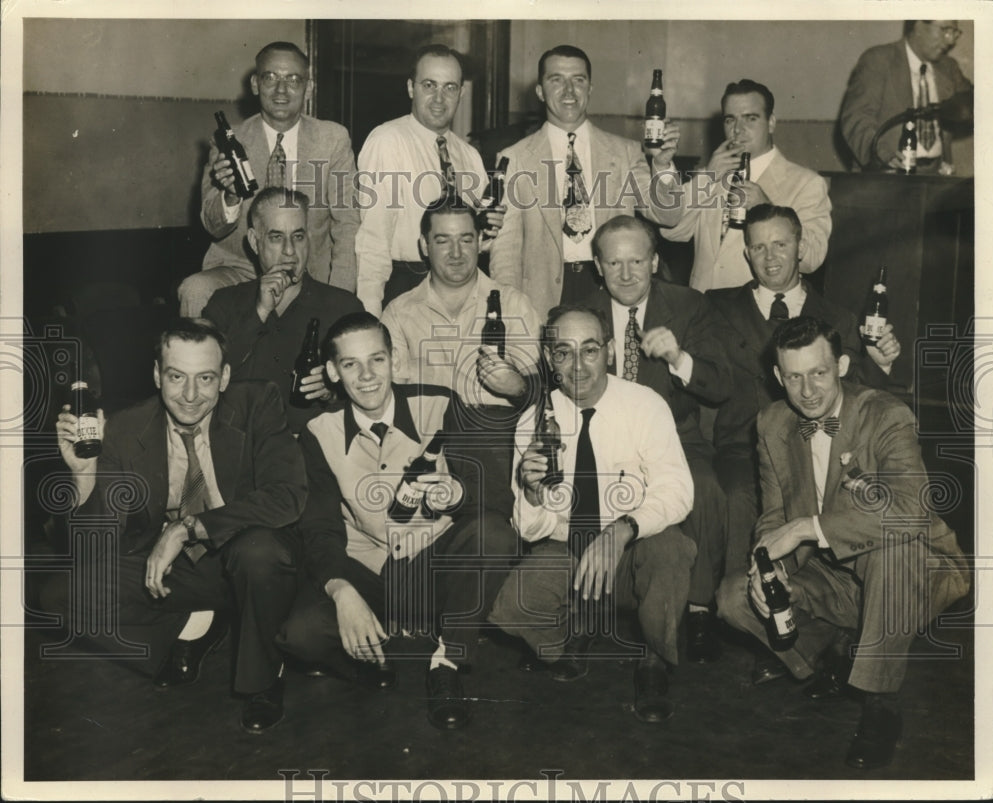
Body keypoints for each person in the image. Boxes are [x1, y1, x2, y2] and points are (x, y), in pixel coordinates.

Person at [716, 316, 969, 770]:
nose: (807, 390)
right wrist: (768, 569)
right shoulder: (772, 423)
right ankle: (827, 659)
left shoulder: (885, 415)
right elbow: (773, 518)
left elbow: (910, 510)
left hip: (912, 565)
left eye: (819, 373)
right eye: (793, 377)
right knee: (733, 597)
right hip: (831, 572)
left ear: (843, 366)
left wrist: (805, 528)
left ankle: (880, 703)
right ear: (778, 377)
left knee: (895, 550)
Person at [54, 319, 307, 733]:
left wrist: (186, 528)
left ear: (224, 377)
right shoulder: (124, 428)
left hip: (253, 555)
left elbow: (288, 496)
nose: (190, 396)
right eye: (176, 377)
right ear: (157, 375)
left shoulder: (259, 401)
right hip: (185, 570)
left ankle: (263, 681)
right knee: (60, 594)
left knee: (258, 551)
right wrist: (83, 476)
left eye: (205, 378)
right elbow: (95, 547)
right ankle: (194, 626)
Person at [277, 312, 519, 730]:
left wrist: (457, 492)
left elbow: (497, 495)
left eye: (377, 360)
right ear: (333, 372)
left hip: (435, 566)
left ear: (394, 360)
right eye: (351, 364)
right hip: (370, 572)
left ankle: (447, 662)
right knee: (300, 634)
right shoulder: (319, 432)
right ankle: (377, 656)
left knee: (494, 534)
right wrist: (342, 591)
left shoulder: (440, 402)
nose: (367, 376)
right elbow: (319, 529)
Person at [489, 305, 696, 724]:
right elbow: (533, 530)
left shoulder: (645, 404)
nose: (578, 366)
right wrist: (530, 494)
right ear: (549, 360)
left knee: (672, 549)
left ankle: (654, 660)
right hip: (571, 550)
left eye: (590, 350)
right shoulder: (534, 419)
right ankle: (570, 635)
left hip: (634, 546)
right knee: (508, 608)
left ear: (610, 352)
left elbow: (678, 491)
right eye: (563, 352)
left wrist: (624, 529)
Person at [707, 204, 901, 578]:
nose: (770, 257)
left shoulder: (838, 318)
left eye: (780, 244)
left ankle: (821, 608)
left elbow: (862, 397)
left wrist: (881, 363)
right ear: (746, 253)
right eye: (759, 247)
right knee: (737, 498)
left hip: (818, 450)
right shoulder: (717, 306)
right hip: (741, 450)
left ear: (801, 247)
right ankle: (743, 605)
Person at [585, 215, 731, 662]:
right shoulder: (583, 310)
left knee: (704, 487)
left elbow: (721, 384)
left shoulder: (689, 306)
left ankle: (700, 607)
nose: (626, 274)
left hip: (677, 439)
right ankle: (584, 603)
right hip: (605, 440)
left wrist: (677, 357)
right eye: (614, 263)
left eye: (636, 261)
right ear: (597, 265)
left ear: (654, 262)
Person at [489, 45, 685, 319]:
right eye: (556, 80)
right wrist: (509, 311)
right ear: (539, 91)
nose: (569, 91)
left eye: (578, 80)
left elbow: (669, 215)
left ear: (590, 88)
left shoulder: (625, 152)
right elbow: (506, 251)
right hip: (541, 298)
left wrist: (662, 166)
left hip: (609, 286)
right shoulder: (514, 159)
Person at [381, 197, 541, 517]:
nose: (456, 253)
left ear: (480, 241)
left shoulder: (514, 305)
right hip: (423, 451)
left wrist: (518, 386)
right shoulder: (399, 312)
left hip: (495, 453)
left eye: (466, 239)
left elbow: (544, 401)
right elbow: (389, 403)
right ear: (424, 246)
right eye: (443, 240)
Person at [180, 41, 359, 316]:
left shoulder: (332, 139)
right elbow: (212, 226)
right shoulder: (230, 141)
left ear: (308, 88)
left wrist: (340, 296)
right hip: (242, 270)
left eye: (293, 79)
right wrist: (230, 196)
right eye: (270, 77)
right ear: (255, 84)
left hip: (309, 274)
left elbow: (347, 224)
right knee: (195, 291)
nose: (281, 90)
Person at [202, 188, 363, 435]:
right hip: (245, 453)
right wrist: (259, 313)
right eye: (276, 237)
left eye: (298, 236)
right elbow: (207, 381)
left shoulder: (343, 308)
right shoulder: (224, 304)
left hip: (316, 454)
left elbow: (370, 394)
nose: (289, 251)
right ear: (255, 242)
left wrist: (334, 392)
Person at [355, 45, 501, 315]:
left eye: (449, 87)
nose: (439, 98)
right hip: (407, 283)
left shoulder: (468, 155)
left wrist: (488, 231)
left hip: (462, 288)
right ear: (411, 88)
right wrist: (369, 315)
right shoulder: (388, 140)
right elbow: (373, 240)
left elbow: (477, 242)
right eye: (429, 85)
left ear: (462, 92)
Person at [660, 79, 832, 293]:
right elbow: (672, 230)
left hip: (757, 314)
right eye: (730, 120)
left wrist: (768, 209)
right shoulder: (711, 174)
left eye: (750, 118)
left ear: (771, 123)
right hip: (702, 308)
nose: (738, 130)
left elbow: (812, 258)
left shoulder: (806, 183)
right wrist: (708, 179)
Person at [840, 21, 972, 172]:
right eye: (945, 30)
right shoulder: (879, 60)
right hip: (888, 175)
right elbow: (857, 119)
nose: (951, 41)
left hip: (936, 175)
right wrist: (884, 157)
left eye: (955, 33)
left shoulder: (949, 67)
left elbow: (975, 105)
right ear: (918, 25)